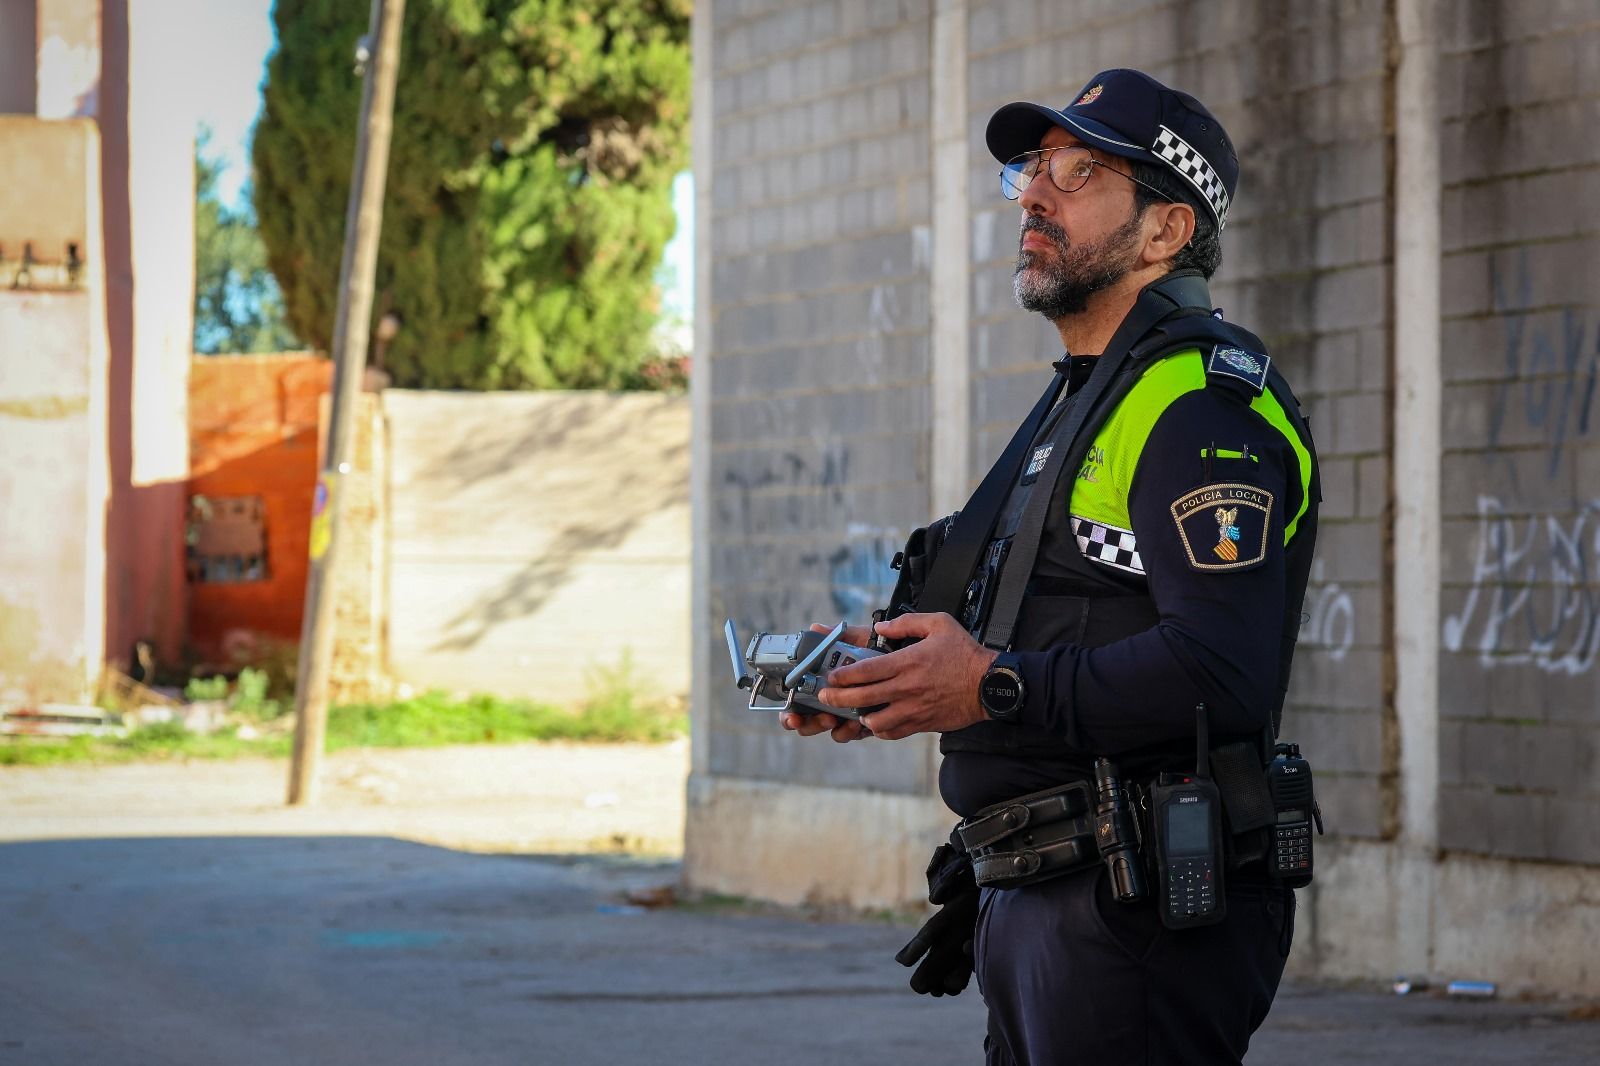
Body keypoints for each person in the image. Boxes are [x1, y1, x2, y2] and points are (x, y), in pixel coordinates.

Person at [779, 68, 1321, 1065]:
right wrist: (879, 673)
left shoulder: (1199, 406)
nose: (1033, 194)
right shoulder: (1083, 398)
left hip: (1138, 912)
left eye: (1077, 174)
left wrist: (986, 685)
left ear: (1163, 233)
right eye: (1033, 171)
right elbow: (1050, 616)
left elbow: (1221, 670)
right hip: (1043, 900)